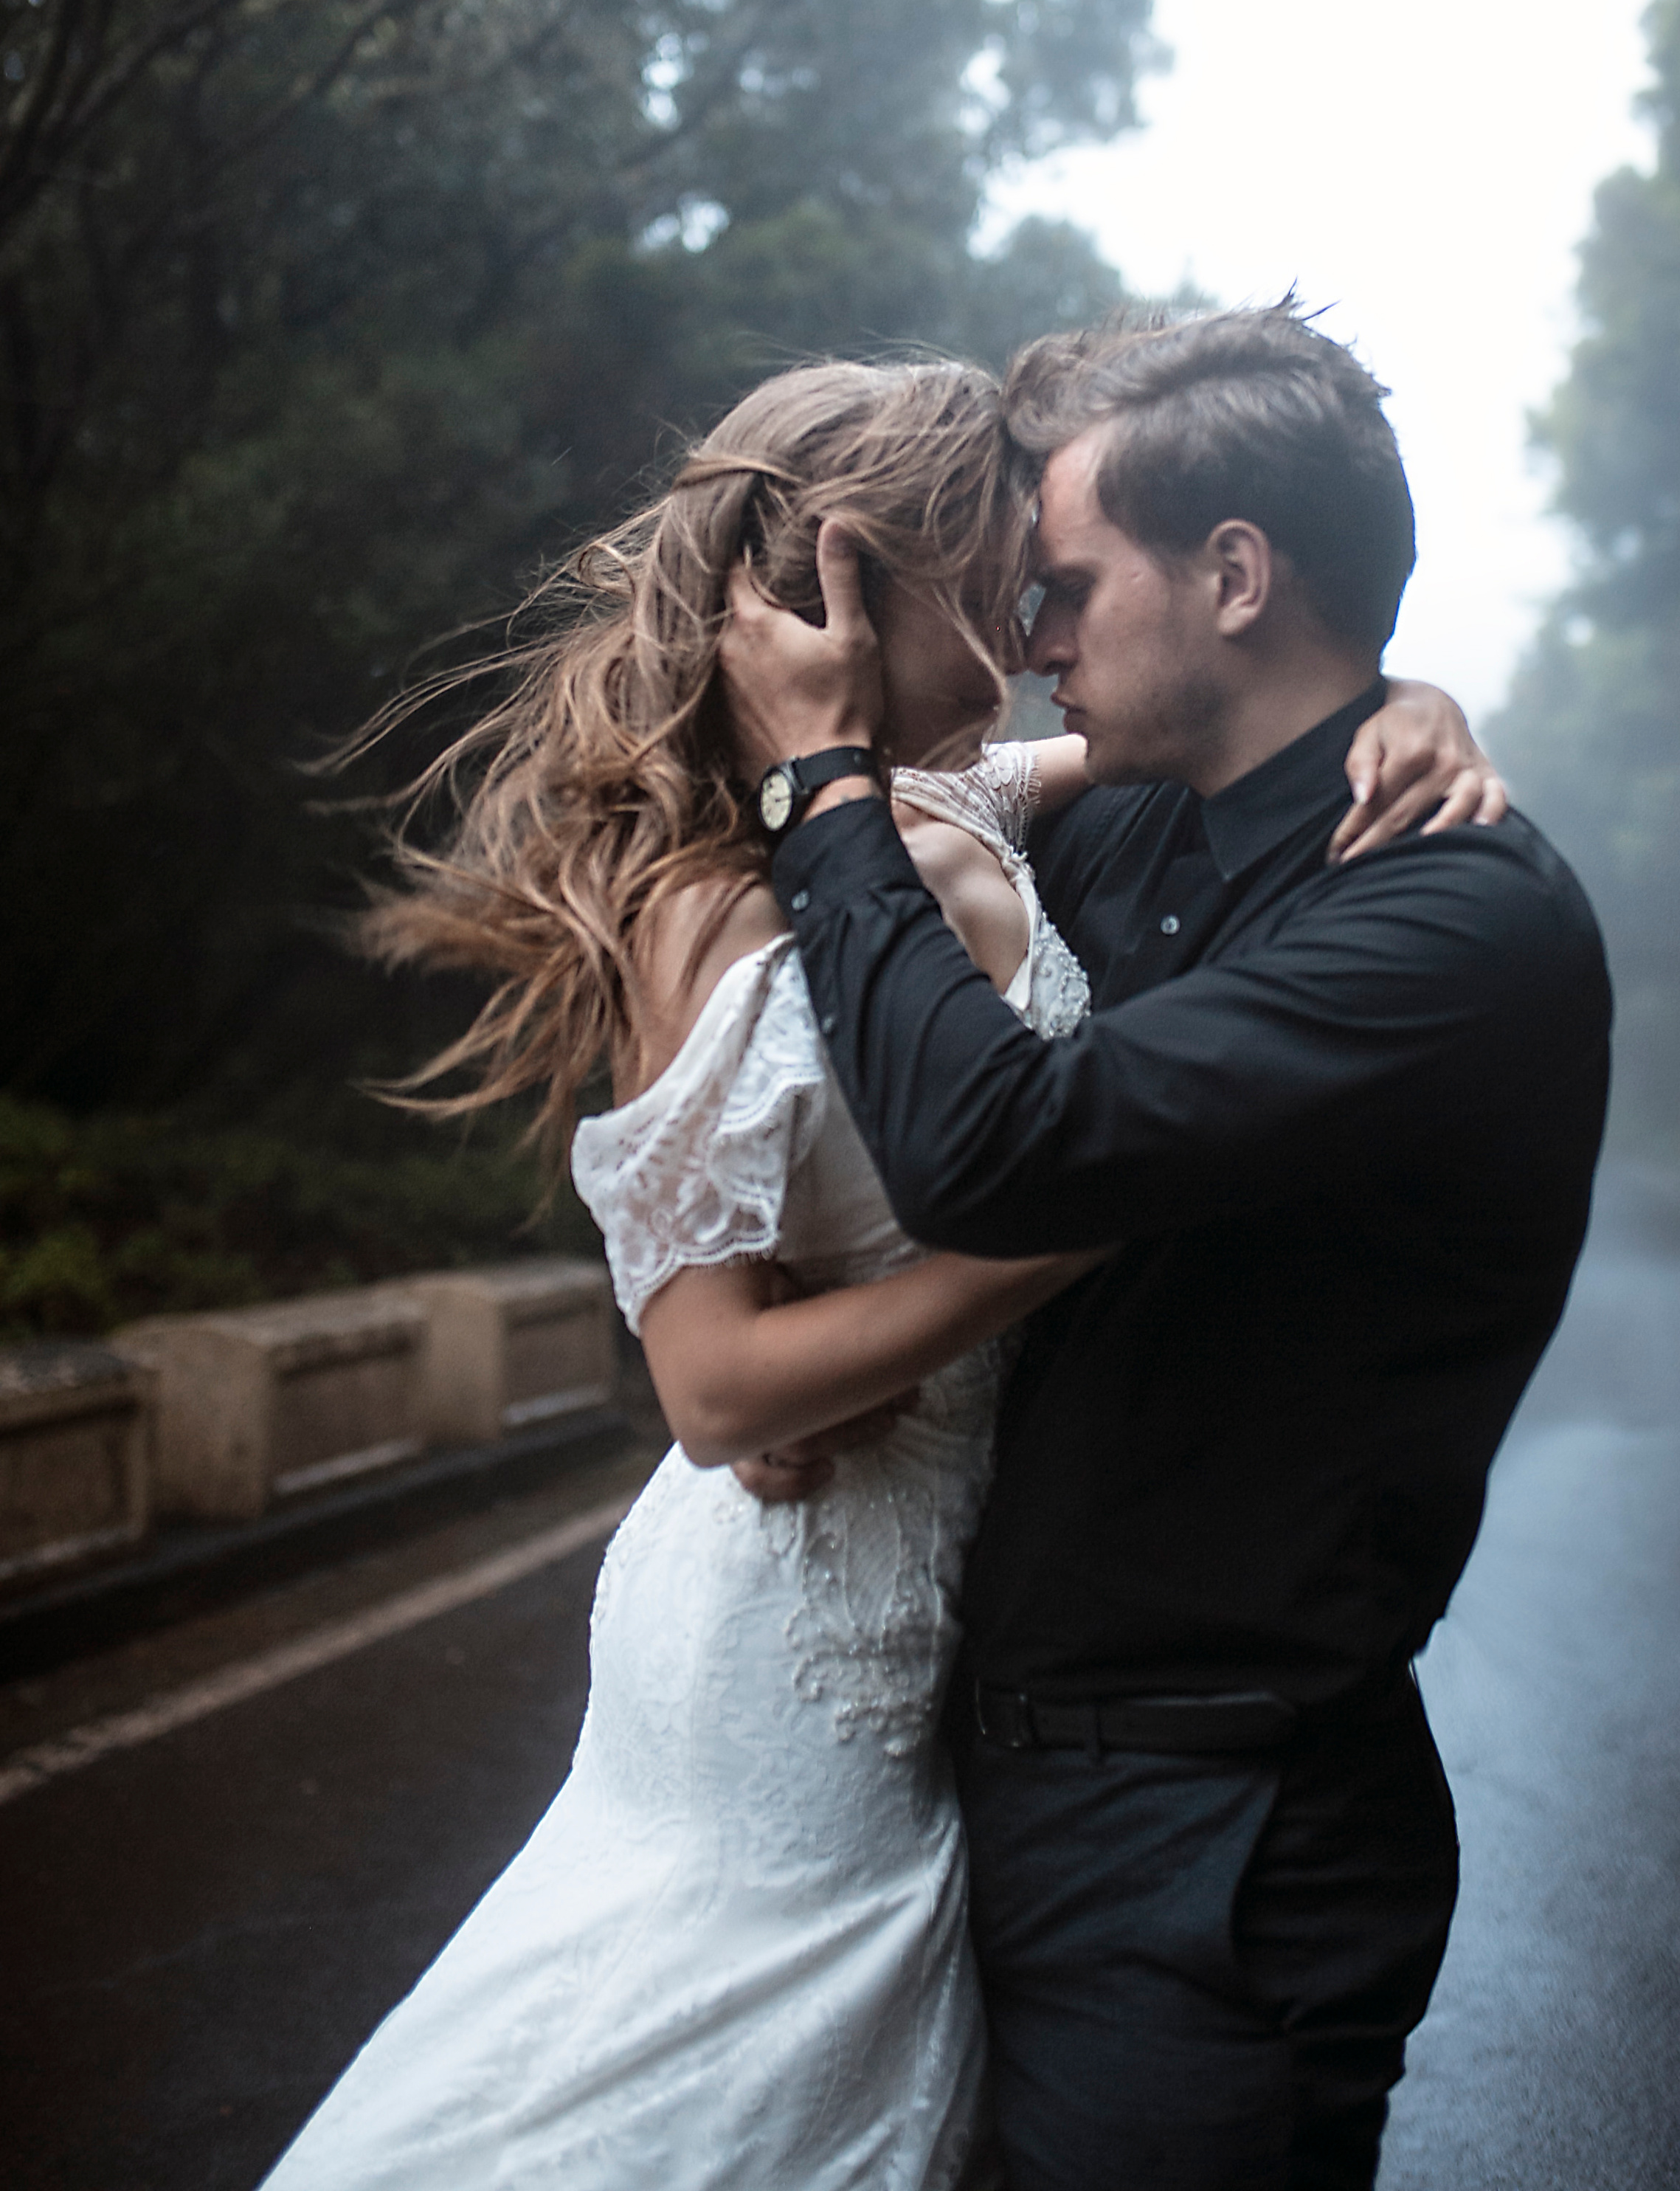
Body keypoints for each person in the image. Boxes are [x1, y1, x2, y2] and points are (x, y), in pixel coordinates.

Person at [260, 354, 1498, 2191]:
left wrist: (1417, 702)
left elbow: (1252, 712)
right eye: (1000, 563)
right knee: (700, 2075)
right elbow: (711, 1389)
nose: (1033, 605)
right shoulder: (709, 900)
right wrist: (1077, 1227)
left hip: (955, 1617)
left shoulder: (969, 802)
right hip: (789, 1639)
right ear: (848, 584)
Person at [719, 306, 1613, 2191]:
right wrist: (765, 1306)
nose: (1032, 638)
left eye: (1062, 588)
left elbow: (991, 1146)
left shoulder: (1454, 920)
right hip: (959, 1785)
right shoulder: (1125, 831)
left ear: (1232, 574)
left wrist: (822, 779)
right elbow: (826, 1020)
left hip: (1216, 1838)